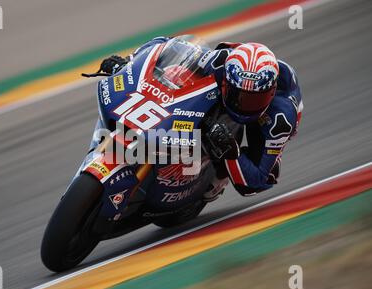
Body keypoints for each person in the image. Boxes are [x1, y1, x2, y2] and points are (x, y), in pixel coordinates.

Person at [99, 36, 303, 201]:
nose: (243, 104)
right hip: (231, 73)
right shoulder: (219, 62)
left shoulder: (281, 117)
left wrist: (231, 151)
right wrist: (129, 63)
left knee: (257, 173)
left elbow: (254, 184)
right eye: (238, 95)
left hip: (262, 124)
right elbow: (163, 44)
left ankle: (214, 179)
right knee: (176, 74)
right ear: (226, 83)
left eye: (252, 100)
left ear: (270, 93)